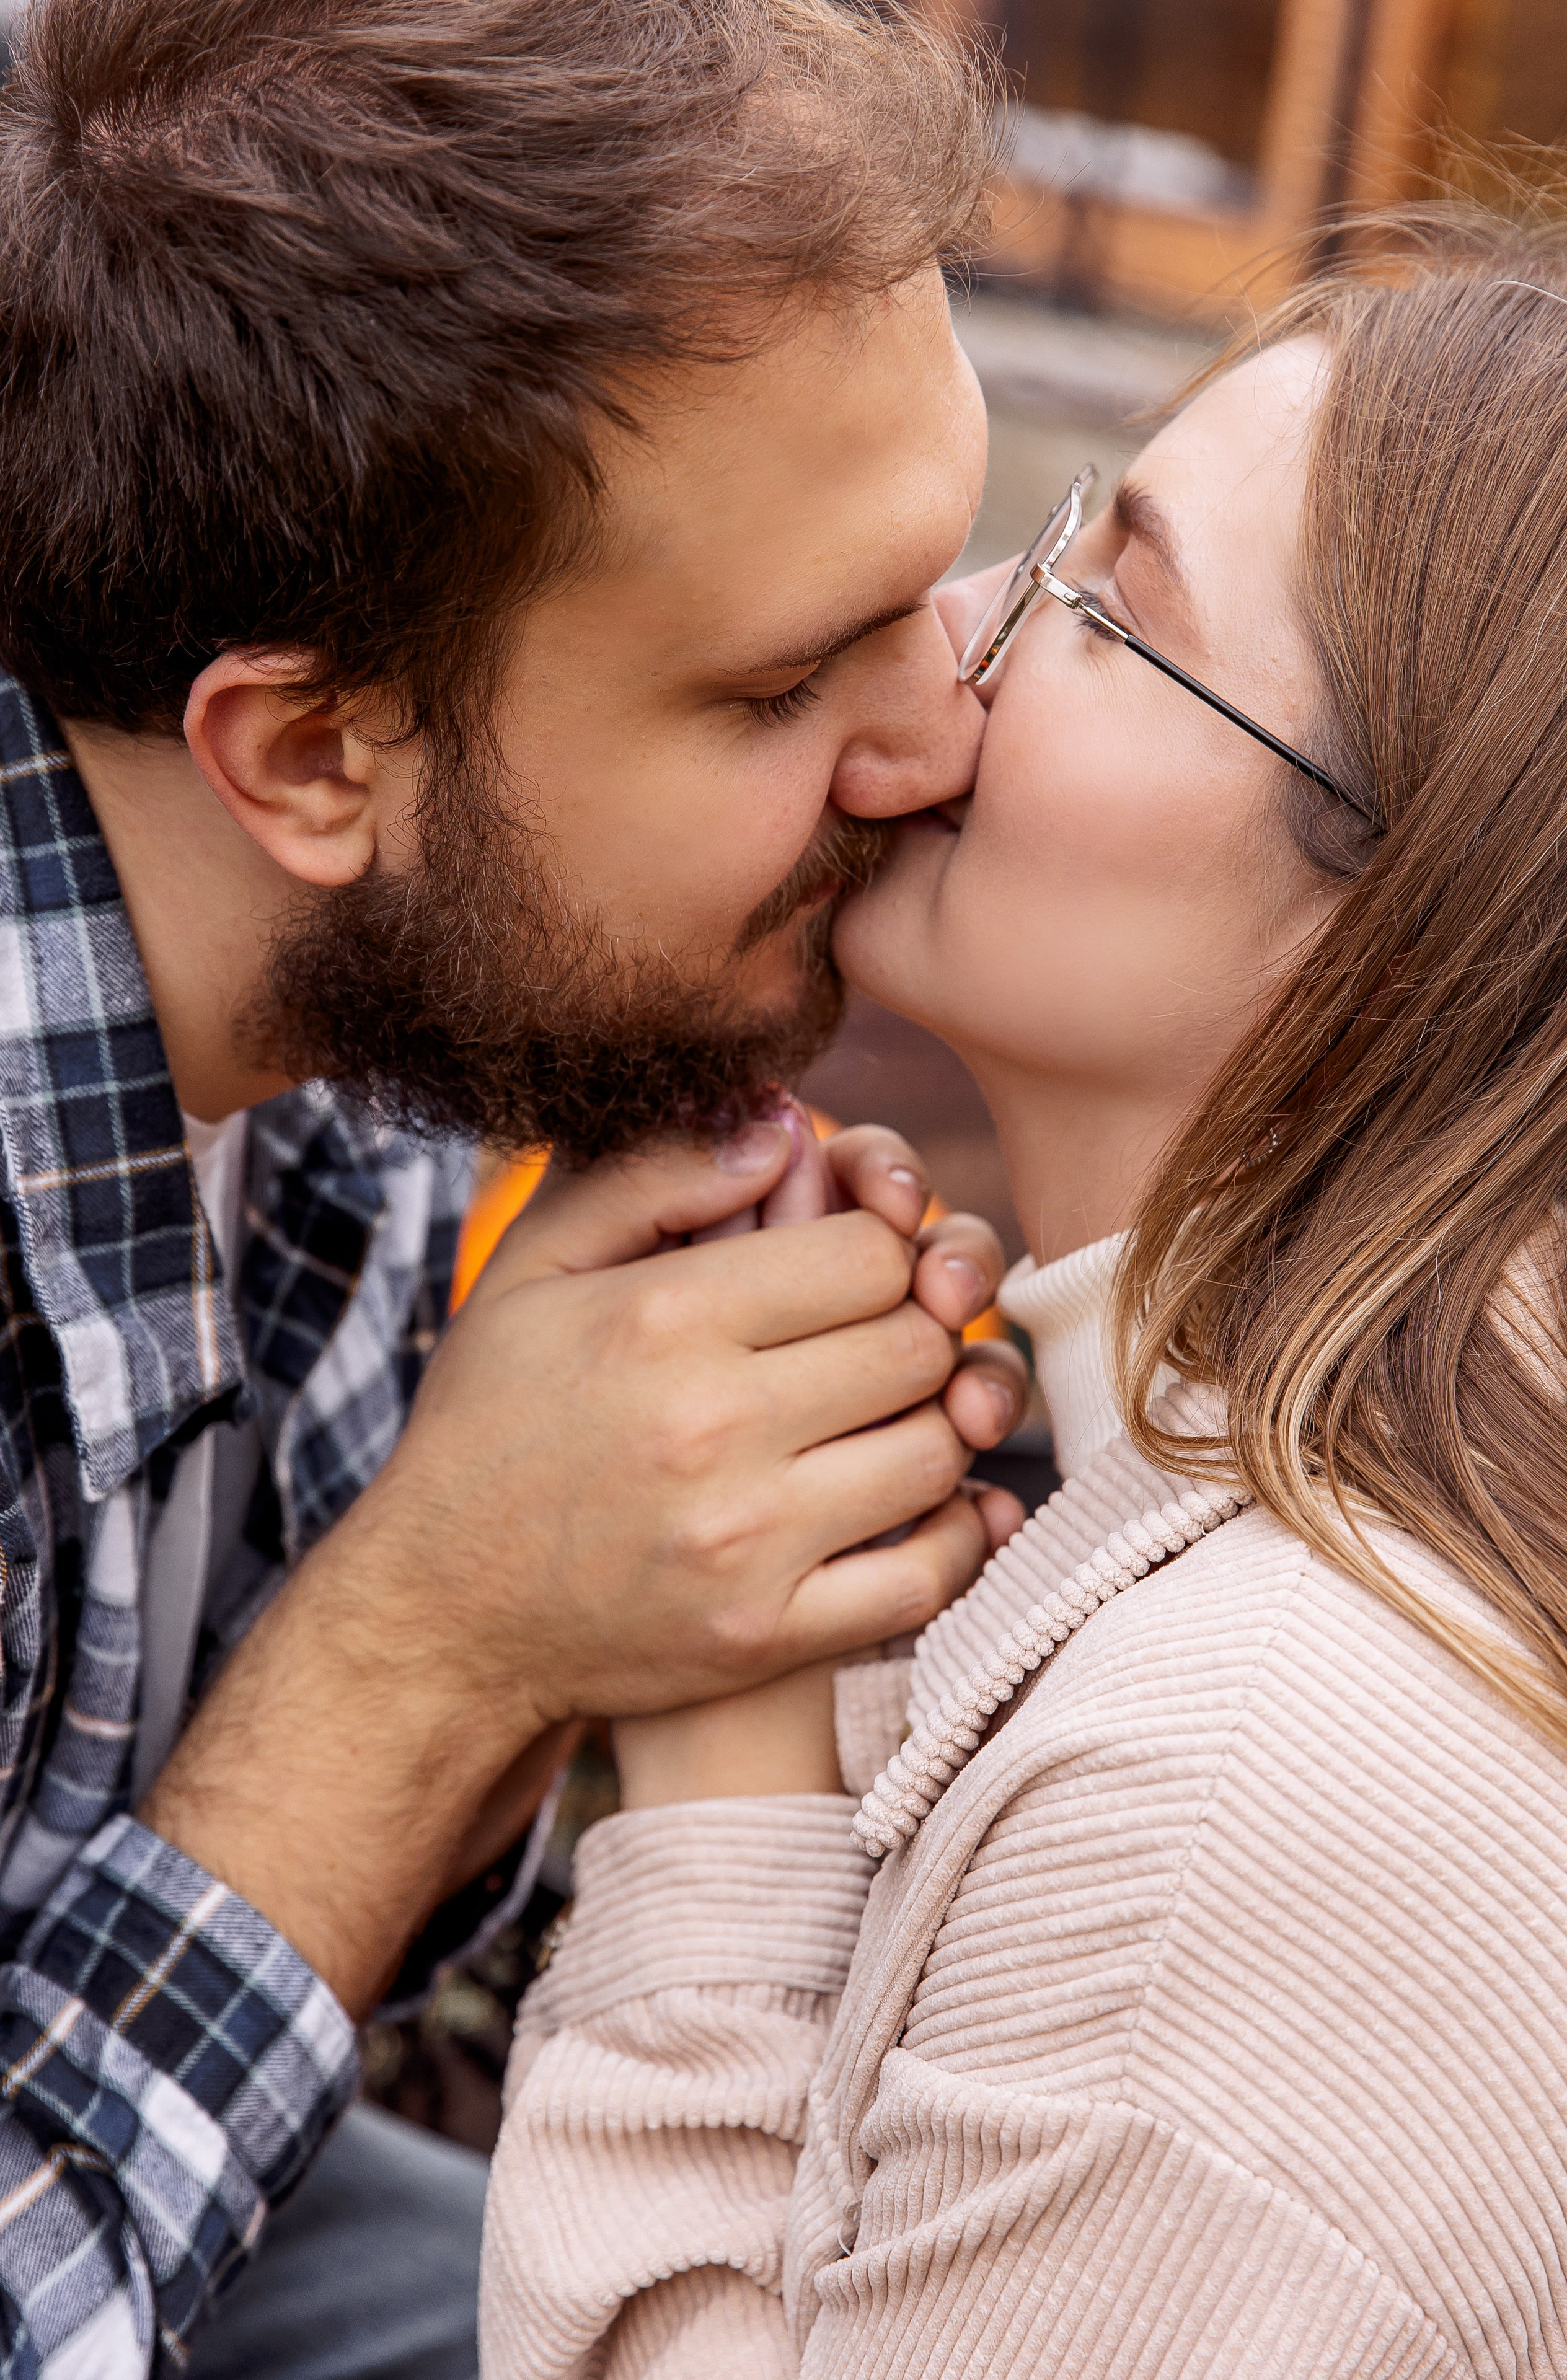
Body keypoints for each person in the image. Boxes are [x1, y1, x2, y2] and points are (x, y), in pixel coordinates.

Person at [0, 2, 1033, 2373]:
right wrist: (439, 1650)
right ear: (316, 750)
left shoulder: (357, 1013)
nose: (946, 733)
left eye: (946, 582)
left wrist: (601, 1540)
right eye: (785, 685)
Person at [483, 202, 1567, 2377]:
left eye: (1104, 607)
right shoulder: (1311, 1536)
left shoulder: (1264, 1786)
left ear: (1422, 905)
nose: (954, 637)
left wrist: (724, 1780)